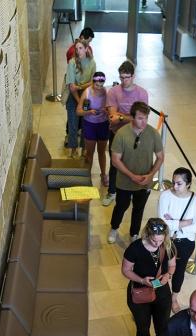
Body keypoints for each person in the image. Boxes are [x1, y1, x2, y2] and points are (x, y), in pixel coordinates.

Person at [122, 218, 176, 336]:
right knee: (143, 328)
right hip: (140, 293)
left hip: (162, 293)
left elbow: (172, 265)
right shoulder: (135, 248)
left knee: (163, 328)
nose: (157, 244)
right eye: (154, 240)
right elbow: (126, 270)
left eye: (160, 240)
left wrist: (168, 276)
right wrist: (142, 280)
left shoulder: (168, 245)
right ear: (147, 234)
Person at [108, 101, 164, 244]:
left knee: (139, 209)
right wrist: (132, 176)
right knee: (121, 207)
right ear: (132, 117)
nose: (143, 121)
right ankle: (114, 228)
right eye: (140, 118)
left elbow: (160, 157)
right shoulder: (121, 134)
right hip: (124, 183)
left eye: (145, 118)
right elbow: (115, 160)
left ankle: (134, 233)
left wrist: (150, 175)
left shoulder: (153, 134)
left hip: (144, 182)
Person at [102, 60, 149, 207]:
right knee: (115, 164)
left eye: (127, 77)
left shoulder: (142, 93)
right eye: (121, 77)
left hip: (136, 135)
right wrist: (130, 117)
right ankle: (112, 191)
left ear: (133, 76)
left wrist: (122, 116)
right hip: (117, 134)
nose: (123, 81)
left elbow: (141, 119)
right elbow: (112, 117)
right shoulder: (113, 92)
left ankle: (132, 191)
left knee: (134, 164)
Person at [158, 167, 196, 313]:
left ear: (188, 184)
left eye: (179, 183)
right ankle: (156, 296)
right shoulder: (165, 196)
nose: (175, 186)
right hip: (167, 240)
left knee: (179, 272)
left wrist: (174, 222)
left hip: (185, 243)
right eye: (173, 182)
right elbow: (162, 223)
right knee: (160, 269)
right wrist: (184, 222)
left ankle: (173, 298)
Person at [75, 71, 111, 187]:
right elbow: (78, 111)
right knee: (89, 153)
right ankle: (87, 175)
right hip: (90, 124)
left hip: (103, 124)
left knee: (101, 152)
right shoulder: (87, 93)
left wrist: (107, 111)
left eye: (101, 85)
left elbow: (112, 109)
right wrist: (89, 111)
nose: (99, 88)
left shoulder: (106, 92)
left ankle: (103, 174)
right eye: (97, 85)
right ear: (93, 82)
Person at [64, 39, 96, 157]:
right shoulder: (72, 63)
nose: (78, 51)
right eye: (76, 49)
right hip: (74, 97)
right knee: (73, 124)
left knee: (85, 124)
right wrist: (79, 102)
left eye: (81, 48)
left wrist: (81, 86)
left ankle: (84, 149)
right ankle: (73, 149)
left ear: (87, 49)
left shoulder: (92, 62)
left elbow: (93, 82)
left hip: (86, 95)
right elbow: (72, 87)